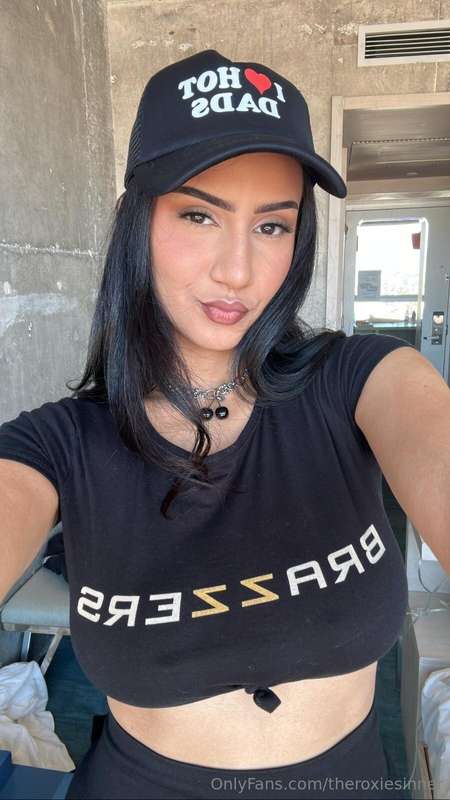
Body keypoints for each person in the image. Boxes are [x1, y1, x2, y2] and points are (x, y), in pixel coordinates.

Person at [0, 50, 416, 799]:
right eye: (199, 215)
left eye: (273, 225)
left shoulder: (361, 380)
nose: (238, 271)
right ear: (138, 221)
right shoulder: (59, 445)